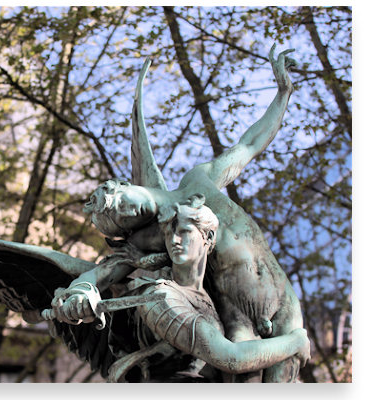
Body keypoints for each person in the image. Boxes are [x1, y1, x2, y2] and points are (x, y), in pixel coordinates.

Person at [51, 45, 304, 382]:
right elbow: (99, 275)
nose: (126, 211)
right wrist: (81, 293)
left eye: (120, 201)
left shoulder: (198, 179)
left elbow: (249, 145)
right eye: (120, 219)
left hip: (283, 299)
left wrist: (283, 93)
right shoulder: (159, 236)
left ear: (126, 183)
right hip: (241, 326)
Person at [53, 195, 310, 382]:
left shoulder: (211, 296)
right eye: (168, 233)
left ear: (207, 238)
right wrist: (295, 341)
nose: (174, 240)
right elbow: (232, 358)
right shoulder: (161, 296)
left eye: (184, 231)